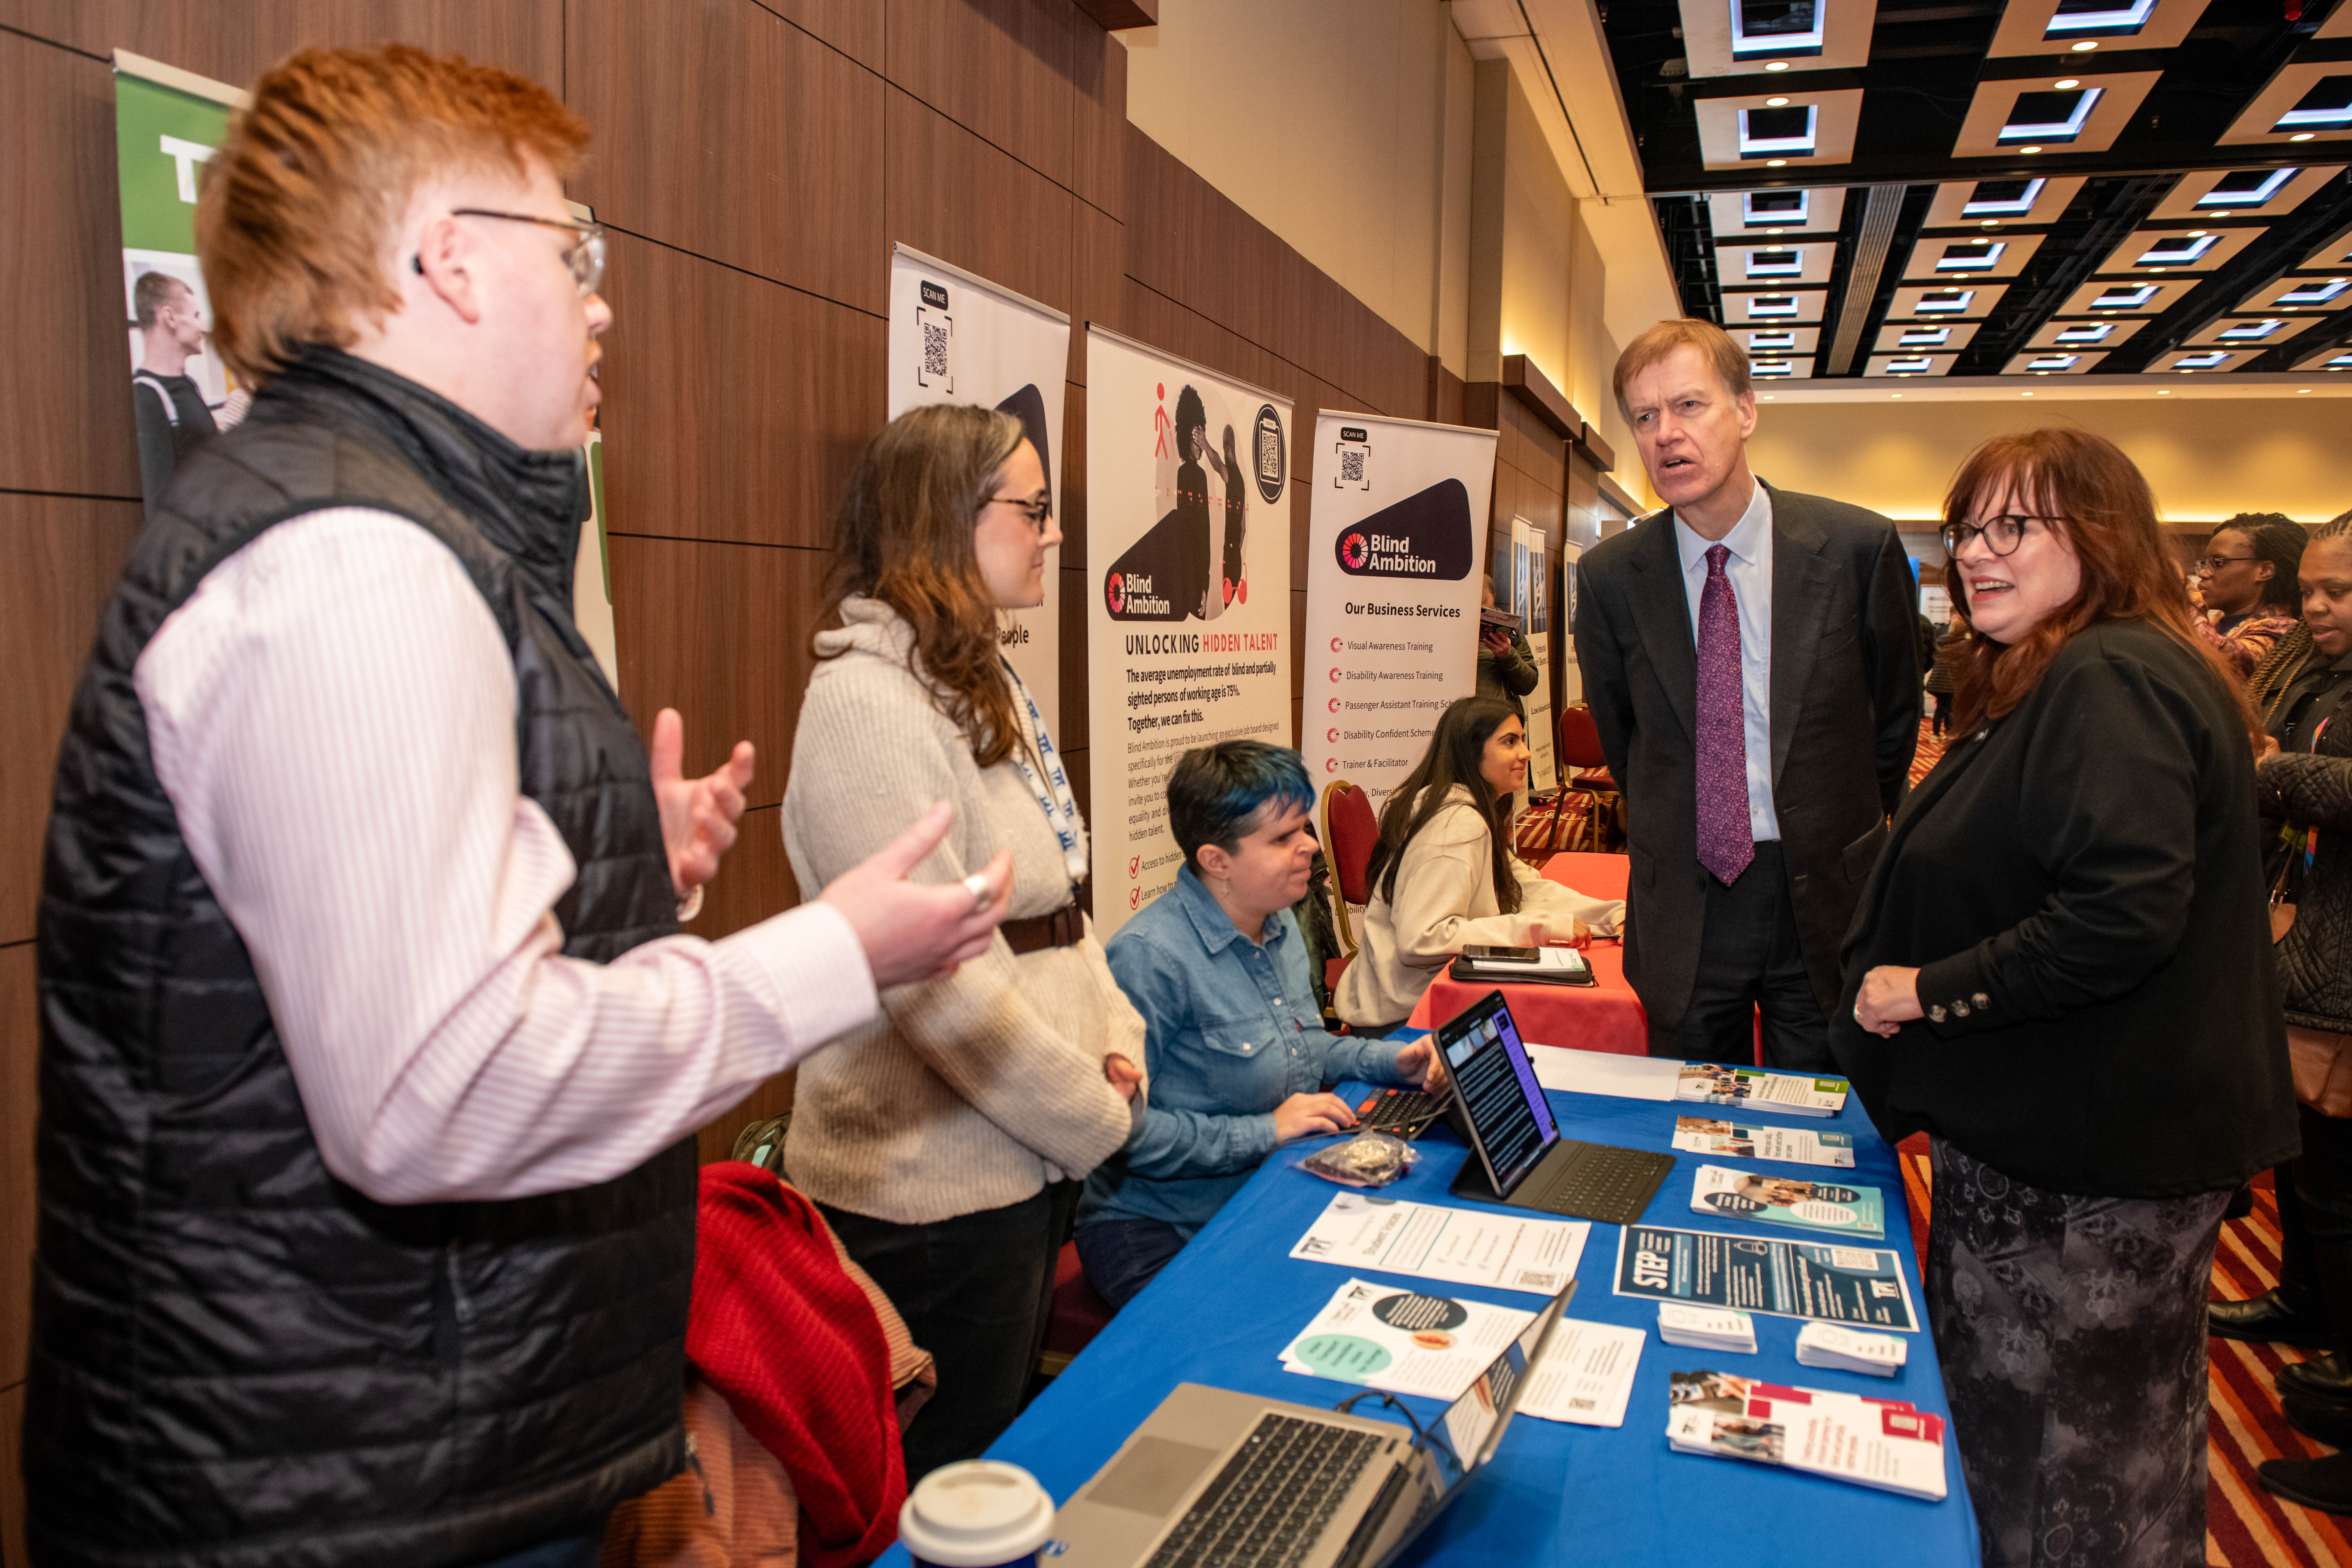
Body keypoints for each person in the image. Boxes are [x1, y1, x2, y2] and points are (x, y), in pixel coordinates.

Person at [28, 45, 1013, 1568]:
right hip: (347, 1501)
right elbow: (438, 1088)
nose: (604, 297)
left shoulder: (384, 527)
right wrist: (833, 954)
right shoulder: (354, 563)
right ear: (450, 264)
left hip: (404, 1457)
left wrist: (622, 880)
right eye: (577, 249)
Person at [1838, 429, 2296, 1566]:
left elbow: (2116, 918)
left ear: (2098, 537)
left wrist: (1924, 992)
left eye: (2013, 526)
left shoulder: (2109, 673)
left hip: (2084, 1172)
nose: (1975, 554)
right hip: (2087, 1152)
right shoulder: (2079, 664)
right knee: (2104, 1457)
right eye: (1963, 529)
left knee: (2061, 1471)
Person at [781, 402, 1148, 1481]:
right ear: (945, 520)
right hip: (930, 1201)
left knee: (994, 1472)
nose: (1052, 533)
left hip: (1021, 1160)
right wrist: (1095, 1113)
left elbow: (1056, 911)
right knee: (942, 1492)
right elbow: (940, 990)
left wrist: (1114, 1040)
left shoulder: (973, 678)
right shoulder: (866, 706)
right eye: (1031, 510)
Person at [1574, 318, 1919, 1071]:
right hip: (1687, 899)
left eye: (1688, 405)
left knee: (1819, 1128)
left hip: (1821, 892)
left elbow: (1892, 720)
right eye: (1644, 416)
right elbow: (1624, 736)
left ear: (1745, 410)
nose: (1665, 434)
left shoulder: (1857, 549)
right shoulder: (1609, 577)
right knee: (1687, 1118)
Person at [1076, 741, 1447, 1308]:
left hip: (1259, 1192)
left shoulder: (1277, 924)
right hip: (1158, 1229)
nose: (1311, 848)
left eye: (1304, 829)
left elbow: (1301, 1046)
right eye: (1284, 838)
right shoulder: (1149, 960)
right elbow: (1121, 1134)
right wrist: (1267, 1131)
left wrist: (1390, 1061)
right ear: (1216, 860)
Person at [2201, 515, 2352, 1515]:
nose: (2313, 608)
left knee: (2342, 1183)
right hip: (2304, 934)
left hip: (2336, 960)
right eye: (2312, 589)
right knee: (2312, 1167)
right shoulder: (2314, 672)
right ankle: (2312, 1314)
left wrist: (2261, 772)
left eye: (2335, 594)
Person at [1334, 696, 1624, 1030]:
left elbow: (1523, 886)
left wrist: (1611, 915)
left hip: (1417, 1002)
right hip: (1405, 1020)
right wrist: (1538, 929)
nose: (1526, 753)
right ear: (1472, 752)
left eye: (1522, 740)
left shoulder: (1467, 809)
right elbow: (1422, 939)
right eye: (1509, 742)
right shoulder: (1456, 824)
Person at [130, 269, 221, 508]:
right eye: (196, 315)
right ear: (170, 318)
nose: (201, 327)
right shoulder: (146, 397)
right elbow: (158, 500)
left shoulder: (188, 386)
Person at [2196, 511, 2306, 677]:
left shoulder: (2282, 632)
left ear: (2265, 571)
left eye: (2218, 563)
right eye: (2205, 564)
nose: (2203, 573)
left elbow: (2219, 664)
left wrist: (2179, 595)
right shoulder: (2220, 623)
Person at [1476, 574, 1539, 723]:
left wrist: (1508, 655)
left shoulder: (1511, 631)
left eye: (1490, 610)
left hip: (1499, 721)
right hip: (1458, 721)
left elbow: (1529, 684)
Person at [1924, 619, 1963, 738]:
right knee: (1950, 709)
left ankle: (1936, 735)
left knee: (1940, 709)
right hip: (1951, 683)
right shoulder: (1962, 644)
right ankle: (1948, 732)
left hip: (1938, 682)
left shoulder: (1941, 641)